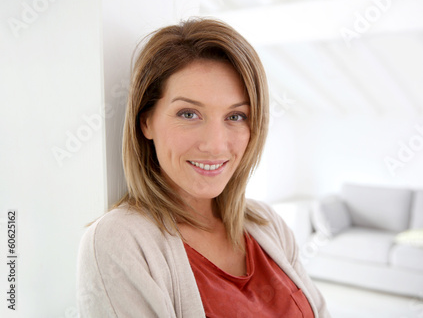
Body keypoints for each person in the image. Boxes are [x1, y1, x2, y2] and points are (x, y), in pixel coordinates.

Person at [77, 17, 330, 317]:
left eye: (235, 117)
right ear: (146, 120)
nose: (215, 145)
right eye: (188, 114)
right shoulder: (120, 241)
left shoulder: (267, 225)